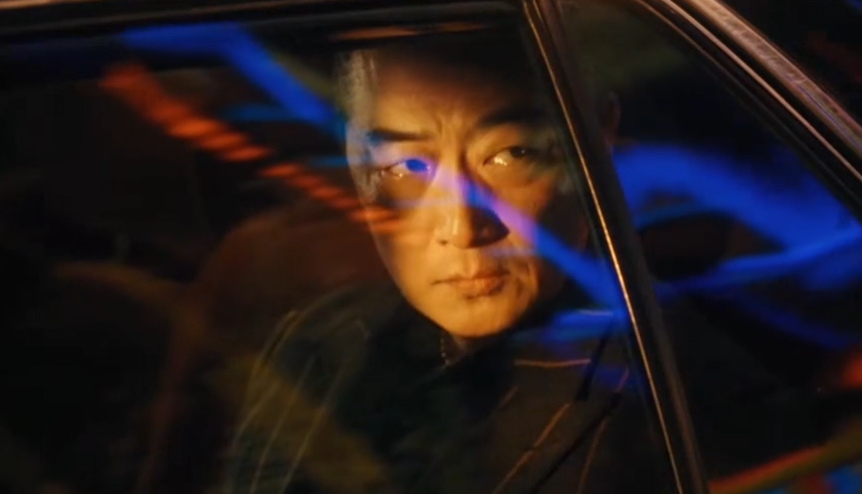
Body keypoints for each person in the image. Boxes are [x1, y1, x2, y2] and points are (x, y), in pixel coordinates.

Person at [223, 29, 673, 494]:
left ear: (597, 137)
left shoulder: (671, 386)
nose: (462, 228)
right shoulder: (316, 343)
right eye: (407, 166)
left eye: (511, 154)